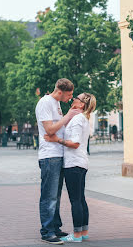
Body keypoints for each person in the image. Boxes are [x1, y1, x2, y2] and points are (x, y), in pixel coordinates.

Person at [44, 92, 96, 243]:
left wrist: (57, 139)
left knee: (75, 200)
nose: (73, 99)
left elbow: (75, 143)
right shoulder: (80, 118)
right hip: (79, 163)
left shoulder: (78, 119)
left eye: (76, 98)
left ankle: (76, 235)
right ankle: (83, 232)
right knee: (80, 199)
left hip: (74, 164)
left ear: (82, 104)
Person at [35, 78, 82, 245]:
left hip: (58, 154)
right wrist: (69, 115)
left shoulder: (56, 104)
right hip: (49, 155)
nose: (70, 98)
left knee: (56, 195)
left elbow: (59, 128)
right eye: (69, 95)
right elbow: (49, 129)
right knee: (49, 195)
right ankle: (47, 232)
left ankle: (55, 227)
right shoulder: (45, 102)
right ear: (60, 92)